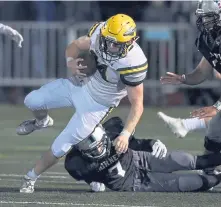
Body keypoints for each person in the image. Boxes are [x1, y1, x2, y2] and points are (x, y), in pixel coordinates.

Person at [17, 14, 148, 193]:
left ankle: (30, 177)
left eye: (116, 44)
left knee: (61, 145)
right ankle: (42, 121)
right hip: (79, 84)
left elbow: (137, 104)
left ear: (131, 42)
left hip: (97, 105)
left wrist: (125, 134)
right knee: (32, 100)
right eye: (107, 40)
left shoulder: (133, 62)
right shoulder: (99, 33)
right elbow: (76, 46)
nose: (109, 46)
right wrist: (70, 62)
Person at [65, 116, 221, 192]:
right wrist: (91, 182)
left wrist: (152, 143)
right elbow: (84, 174)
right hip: (135, 182)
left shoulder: (113, 131)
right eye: (92, 150)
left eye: (99, 145)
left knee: (183, 160)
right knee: (185, 183)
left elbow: (134, 142)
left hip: (138, 158)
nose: (98, 151)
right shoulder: (75, 162)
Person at [160, 0, 221, 157]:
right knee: (215, 130)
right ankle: (210, 171)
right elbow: (202, 71)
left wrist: (217, 107)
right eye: (202, 17)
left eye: (209, 17)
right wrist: (184, 78)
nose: (204, 22)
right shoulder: (209, 39)